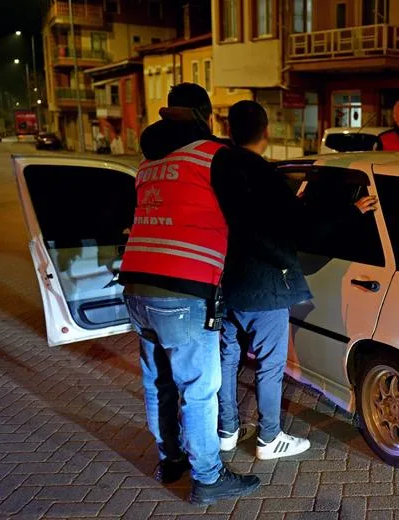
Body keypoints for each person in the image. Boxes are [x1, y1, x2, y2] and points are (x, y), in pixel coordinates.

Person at [118, 83, 260, 505]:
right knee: (200, 388)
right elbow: (247, 215)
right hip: (181, 292)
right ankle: (208, 477)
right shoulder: (212, 156)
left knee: (158, 381)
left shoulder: (148, 163)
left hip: (137, 286)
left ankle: (171, 460)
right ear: (203, 114)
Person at [216, 100, 378, 460]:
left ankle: (226, 431)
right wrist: (351, 212)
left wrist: (294, 202)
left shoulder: (219, 169)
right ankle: (268, 438)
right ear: (266, 131)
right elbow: (302, 231)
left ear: (230, 131)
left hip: (226, 280)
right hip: (266, 287)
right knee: (270, 364)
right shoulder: (264, 176)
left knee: (227, 359)